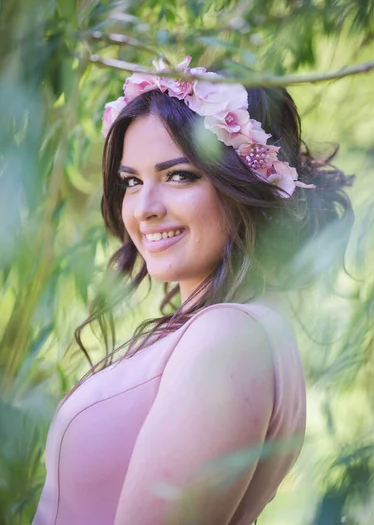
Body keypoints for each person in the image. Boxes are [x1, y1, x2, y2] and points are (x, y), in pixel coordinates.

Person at [32, 57, 353, 525]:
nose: (144, 208)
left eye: (179, 175)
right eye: (132, 181)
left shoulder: (227, 336)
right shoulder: (228, 328)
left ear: (243, 181)